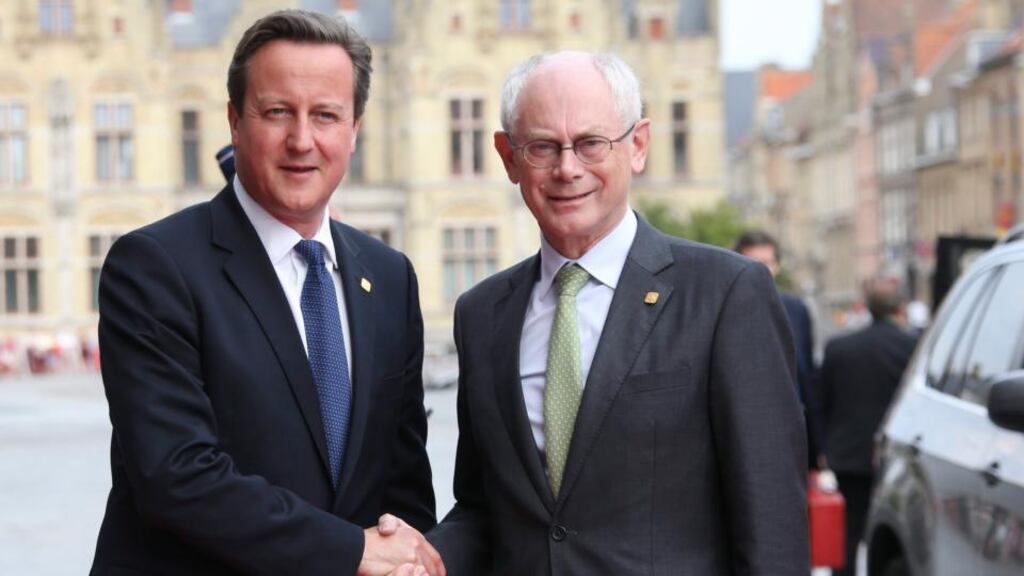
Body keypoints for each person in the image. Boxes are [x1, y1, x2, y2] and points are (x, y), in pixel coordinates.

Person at [423, 51, 808, 575]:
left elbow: (772, 526)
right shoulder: (483, 315)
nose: (567, 168)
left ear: (639, 145)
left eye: (590, 143)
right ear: (508, 157)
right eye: (542, 147)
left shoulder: (725, 295)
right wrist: (419, 559)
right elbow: (485, 509)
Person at [91, 10, 442, 576]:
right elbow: (176, 474)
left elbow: (402, 484)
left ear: (354, 129)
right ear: (234, 120)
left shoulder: (389, 276)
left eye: (325, 115)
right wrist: (351, 552)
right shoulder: (155, 267)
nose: (301, 140)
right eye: (277, 112)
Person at [819, 277, 917, 576]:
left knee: (849, 531)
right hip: (898, 456)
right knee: (899, 529)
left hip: (849, 454)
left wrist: (822, 447)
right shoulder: (914, 346)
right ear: (901, 307)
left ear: (867, 308)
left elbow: (822, 401)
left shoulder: (840, 347)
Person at [734, 230, 822, 470]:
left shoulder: (796, 308)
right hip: (743, 430)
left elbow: (806, 372)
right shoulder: (723, 308)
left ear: (778, 266)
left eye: (767, 263)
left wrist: (818, 444)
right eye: (753, 262)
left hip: (791, 429)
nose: (761, 271)